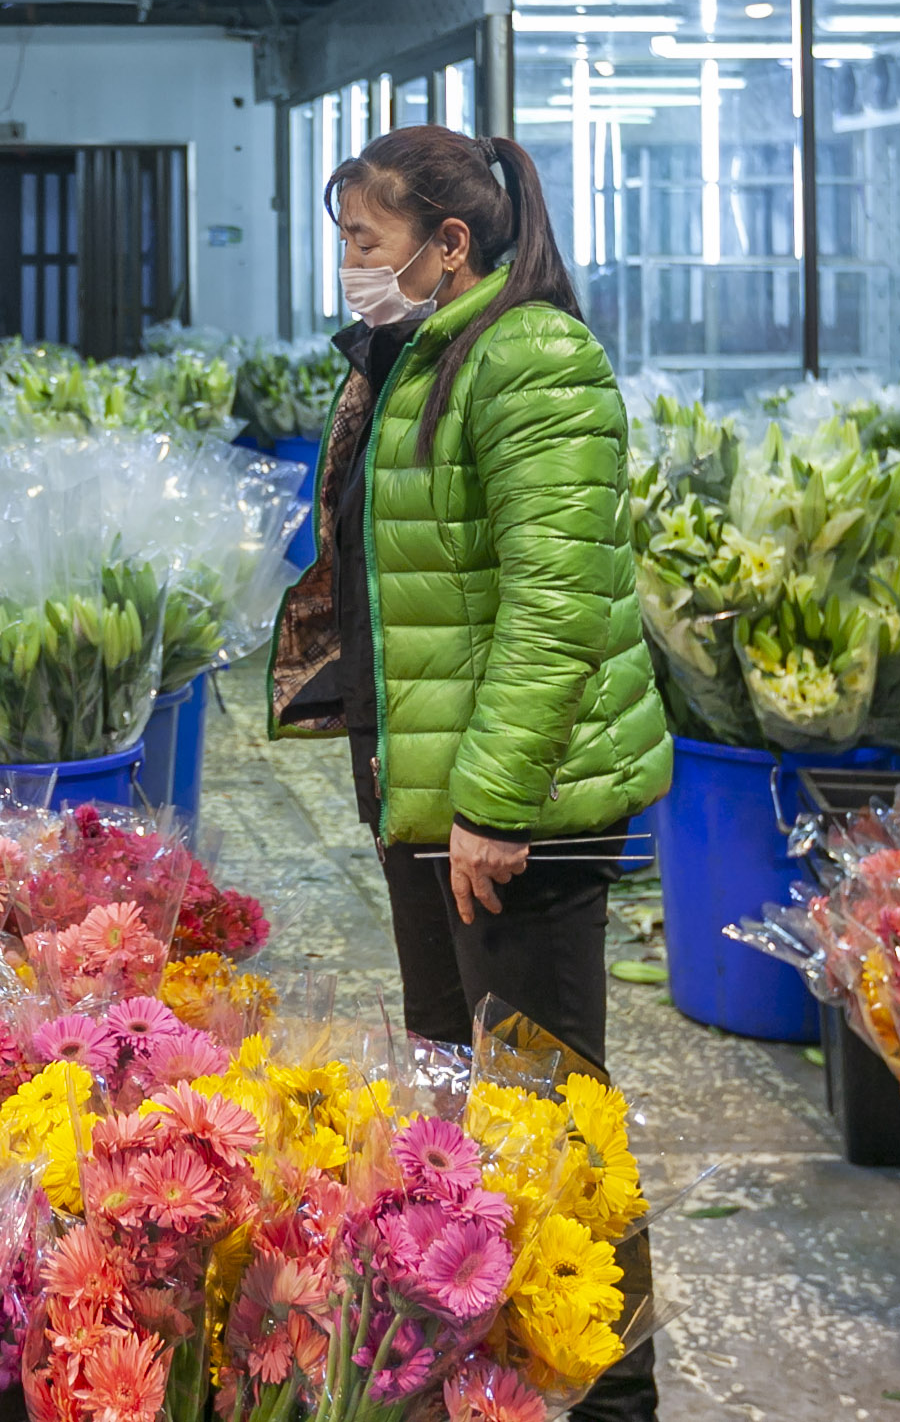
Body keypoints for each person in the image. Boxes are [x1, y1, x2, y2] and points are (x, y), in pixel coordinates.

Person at [268, 126, 671, 1422]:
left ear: (451, 244)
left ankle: (617, 1394)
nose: (348, 266)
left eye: (364, 242)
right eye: (341, 242)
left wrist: (491, 808)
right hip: (427, 794)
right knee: (461, 1107)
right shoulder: (417, 354)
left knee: (556, 1118)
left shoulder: (531, 363)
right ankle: (495, 1372)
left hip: (518, 811)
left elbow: (553, 609)